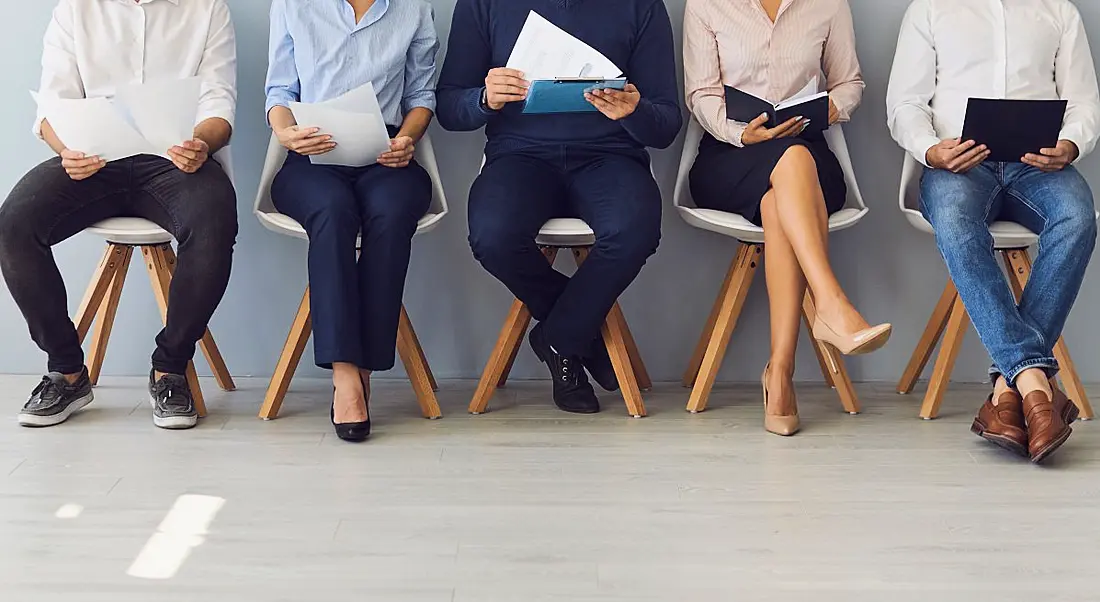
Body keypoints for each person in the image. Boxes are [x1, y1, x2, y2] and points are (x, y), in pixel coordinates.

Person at [0, 0, 238, 431]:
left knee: (215, 221)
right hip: (93, 159)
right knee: (13, 224)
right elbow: (52, 104)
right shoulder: (75, 9)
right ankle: (67, 370)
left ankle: (170, 369)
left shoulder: (207, 8)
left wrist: (202, 142)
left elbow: (219, 99)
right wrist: (65, 151)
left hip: (175, 159)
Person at [436, 0, 681, 415]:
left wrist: (635, 110)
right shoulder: (484, 4)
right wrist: (484, 98)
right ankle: (578, 335)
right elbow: (448, 108)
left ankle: (558, 338)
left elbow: (666, 123)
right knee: (492, 234)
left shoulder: (641, 7)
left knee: (635, 229)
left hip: (611, 155)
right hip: (520, 155)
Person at [887, 0, 1100, 463]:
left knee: (1078, 218)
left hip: (1037, 166)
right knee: (959, 227)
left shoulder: (1058, 10)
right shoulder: (929, 9)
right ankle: (1035, 385)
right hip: (959, 166)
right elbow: (904, 102)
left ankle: (1012, 386)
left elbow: (1084, 99)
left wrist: (1071, 143)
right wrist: (930, 150)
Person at [684, 0, 891, 436]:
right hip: (731, 153)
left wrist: (829, 109)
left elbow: (849, 82)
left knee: (782, 193)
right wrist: (741, 132)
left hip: (809, 155)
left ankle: (779, 371)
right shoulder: (705, 4)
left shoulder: (828, 3)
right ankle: (829, 305)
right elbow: (700, 93)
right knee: (785, 174)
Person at [265, 0, 439, 442]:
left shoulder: (414, 8)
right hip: (312, 157)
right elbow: (280, 93)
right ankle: (346, 374)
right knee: (333, 210)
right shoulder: (292, 5)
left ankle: (365, 367)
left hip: (385, 155)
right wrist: (286, 133)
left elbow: (420, 97)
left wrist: (406, 139)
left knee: (393, 210)